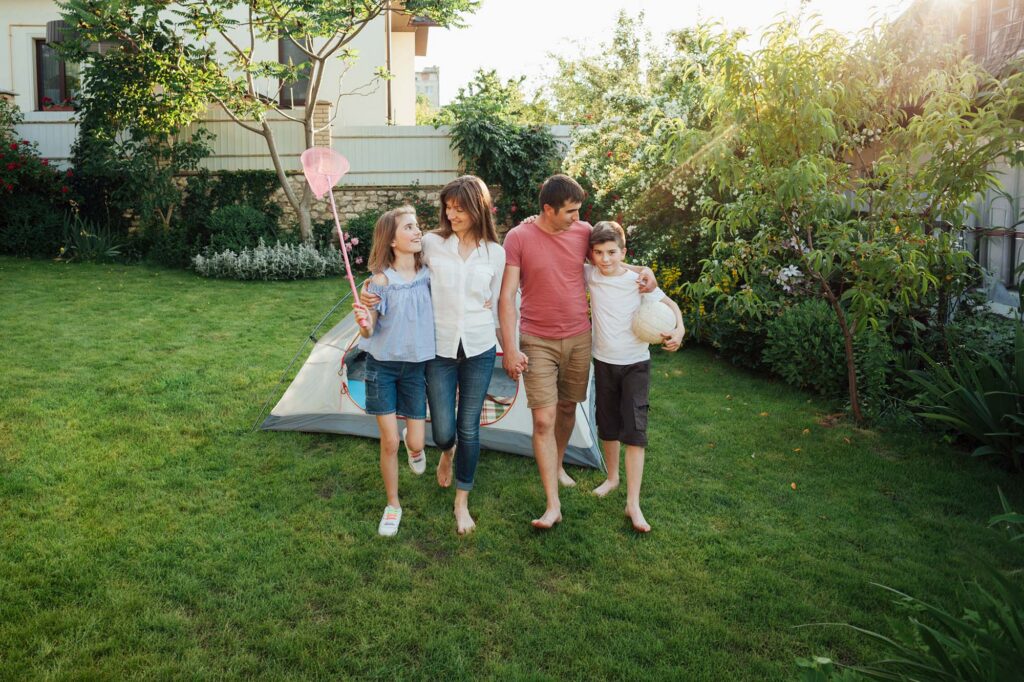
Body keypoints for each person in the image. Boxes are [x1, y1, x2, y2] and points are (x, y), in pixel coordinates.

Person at [498, 174, 657, 529]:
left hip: (579, 337)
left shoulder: (583, 232)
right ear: (547, 209)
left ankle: (556, 466)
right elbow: (507, 295)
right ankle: (552, 505)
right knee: (543, 418)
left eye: (578, 210)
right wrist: (510, 347)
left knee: (569, 407)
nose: (577, 216)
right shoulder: (519, 237)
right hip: (536, 338)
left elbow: (609, 261)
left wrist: (645, 273)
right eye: (570, 211)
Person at [361, 176, 504, 535]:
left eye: (459, 208)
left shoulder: (495, 253)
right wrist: (371, 295)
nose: (451, 214)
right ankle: (445, 452)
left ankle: (461, 502)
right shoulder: (433, 244)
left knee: (468, 427)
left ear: (478, 208)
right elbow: (397, 264)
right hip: (438, 349)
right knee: (443, 431)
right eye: (448, 208)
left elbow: (498, 299)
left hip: (479, 346)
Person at [586, 221, 684, 533]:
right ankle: (612, 478)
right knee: (609, 425)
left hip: (635, 365)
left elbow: (670, 305)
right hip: (603, 362)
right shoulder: (590, 275)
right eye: (599, 252)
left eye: (612, 252)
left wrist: (679, 330)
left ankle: (633, 503)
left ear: (623, 252)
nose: (605, 258)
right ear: (591, 255)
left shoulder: (638, 281)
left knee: (635, 431)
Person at [353, 206, 435, 537]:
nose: (418, 232)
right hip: (382, 368)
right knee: (389, 442)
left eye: (417, 227)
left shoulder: (430, 274)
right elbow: (370, 332)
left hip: (415, 369)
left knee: (415, 440)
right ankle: (393, 505)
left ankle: (412, 443)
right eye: (410, 228)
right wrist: (363, 323)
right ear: (391, 241)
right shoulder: (379, 283)